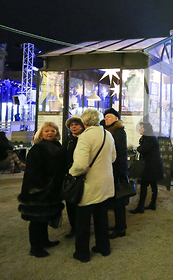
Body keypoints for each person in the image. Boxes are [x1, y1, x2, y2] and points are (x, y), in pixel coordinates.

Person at [70, 109, 116, 263]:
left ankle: (82, 253)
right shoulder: (108, 134)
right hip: (106, 182)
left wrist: (71, 172)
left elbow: (81, 165)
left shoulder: (84, 137)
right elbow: (113, 157)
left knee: (82, 221)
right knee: (101, 218)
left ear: (84, 122)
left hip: (89, 185)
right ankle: (104, 247)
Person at [17, 122, 65, 258]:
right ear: (41, 133)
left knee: (45, 216)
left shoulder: (57, 147)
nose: (50, 133)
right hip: (37, 191)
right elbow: (33, 172)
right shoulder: (37, 149)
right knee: (36, 219)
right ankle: (35, 247)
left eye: (53, 131)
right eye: (47, 131)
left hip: (52, 190)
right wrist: (46, 185)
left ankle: (44, 240)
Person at [103, 108, 129, 239]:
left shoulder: (118, 131)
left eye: (109, 116)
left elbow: (121, 153)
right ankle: (119, 225)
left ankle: (120, 228)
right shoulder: (108, 130)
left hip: (117, 170)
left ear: (116, 119)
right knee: (115, 200)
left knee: (118, 200)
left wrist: (122, 172)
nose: (106, 118)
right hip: (111, 169)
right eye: (105, 116)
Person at [129, 122, 163, 214]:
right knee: (153, 185)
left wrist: (137, 148)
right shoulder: (150, 137)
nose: (140, 129)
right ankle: (152, 204)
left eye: (141, 128)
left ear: (145, 129)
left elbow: (143, 149)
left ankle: (141, 207)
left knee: (144, 185)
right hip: (154, 165)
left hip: (150, 166)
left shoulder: (148, 138)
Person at [61, 115, 85, 238]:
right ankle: (73, 228)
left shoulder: (85, 139)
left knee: (81, 202)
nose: (73, 127)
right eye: (71, 125)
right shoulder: (68, 140)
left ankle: (82, 227)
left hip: (82, 175)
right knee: (70, 202)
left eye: (76, 124)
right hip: (69, 176)